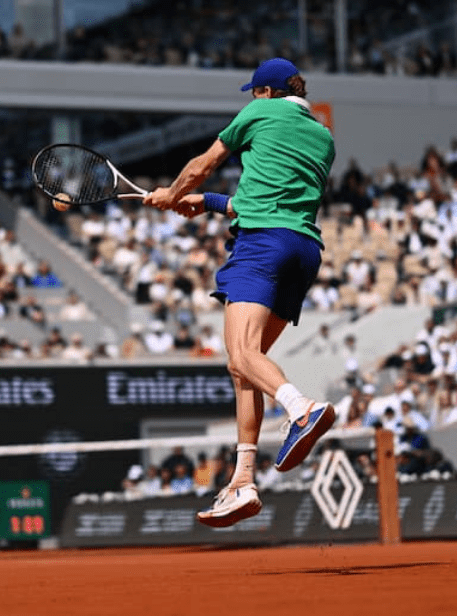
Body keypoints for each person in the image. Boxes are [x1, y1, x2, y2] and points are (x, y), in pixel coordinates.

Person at [143, 58, 336, 527]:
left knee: (242, 352)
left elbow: (204, 164)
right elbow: (270, 196)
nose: (251, 98)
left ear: (266, 92)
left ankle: (301, 409)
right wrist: (208, 203)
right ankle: (242, 481)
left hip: (262, 246)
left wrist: (172, 193)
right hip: (303, 250)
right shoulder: (322, 135)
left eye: (254, 91)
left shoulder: (259, 112)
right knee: (243, 365)